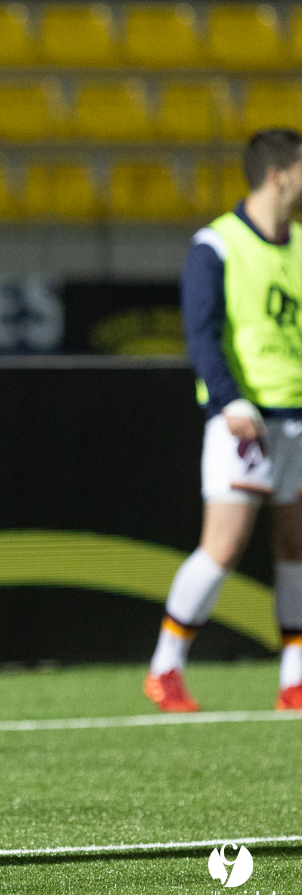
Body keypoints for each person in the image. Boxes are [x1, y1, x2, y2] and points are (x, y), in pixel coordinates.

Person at [145, 128, 302, 714]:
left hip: (297, 417)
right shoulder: (218, 244)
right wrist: (231, 401)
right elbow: (202, 333)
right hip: (245, 421)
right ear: (278, 175)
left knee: (296, 548)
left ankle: (294, 679)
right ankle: (165, 667)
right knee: (224, 547)